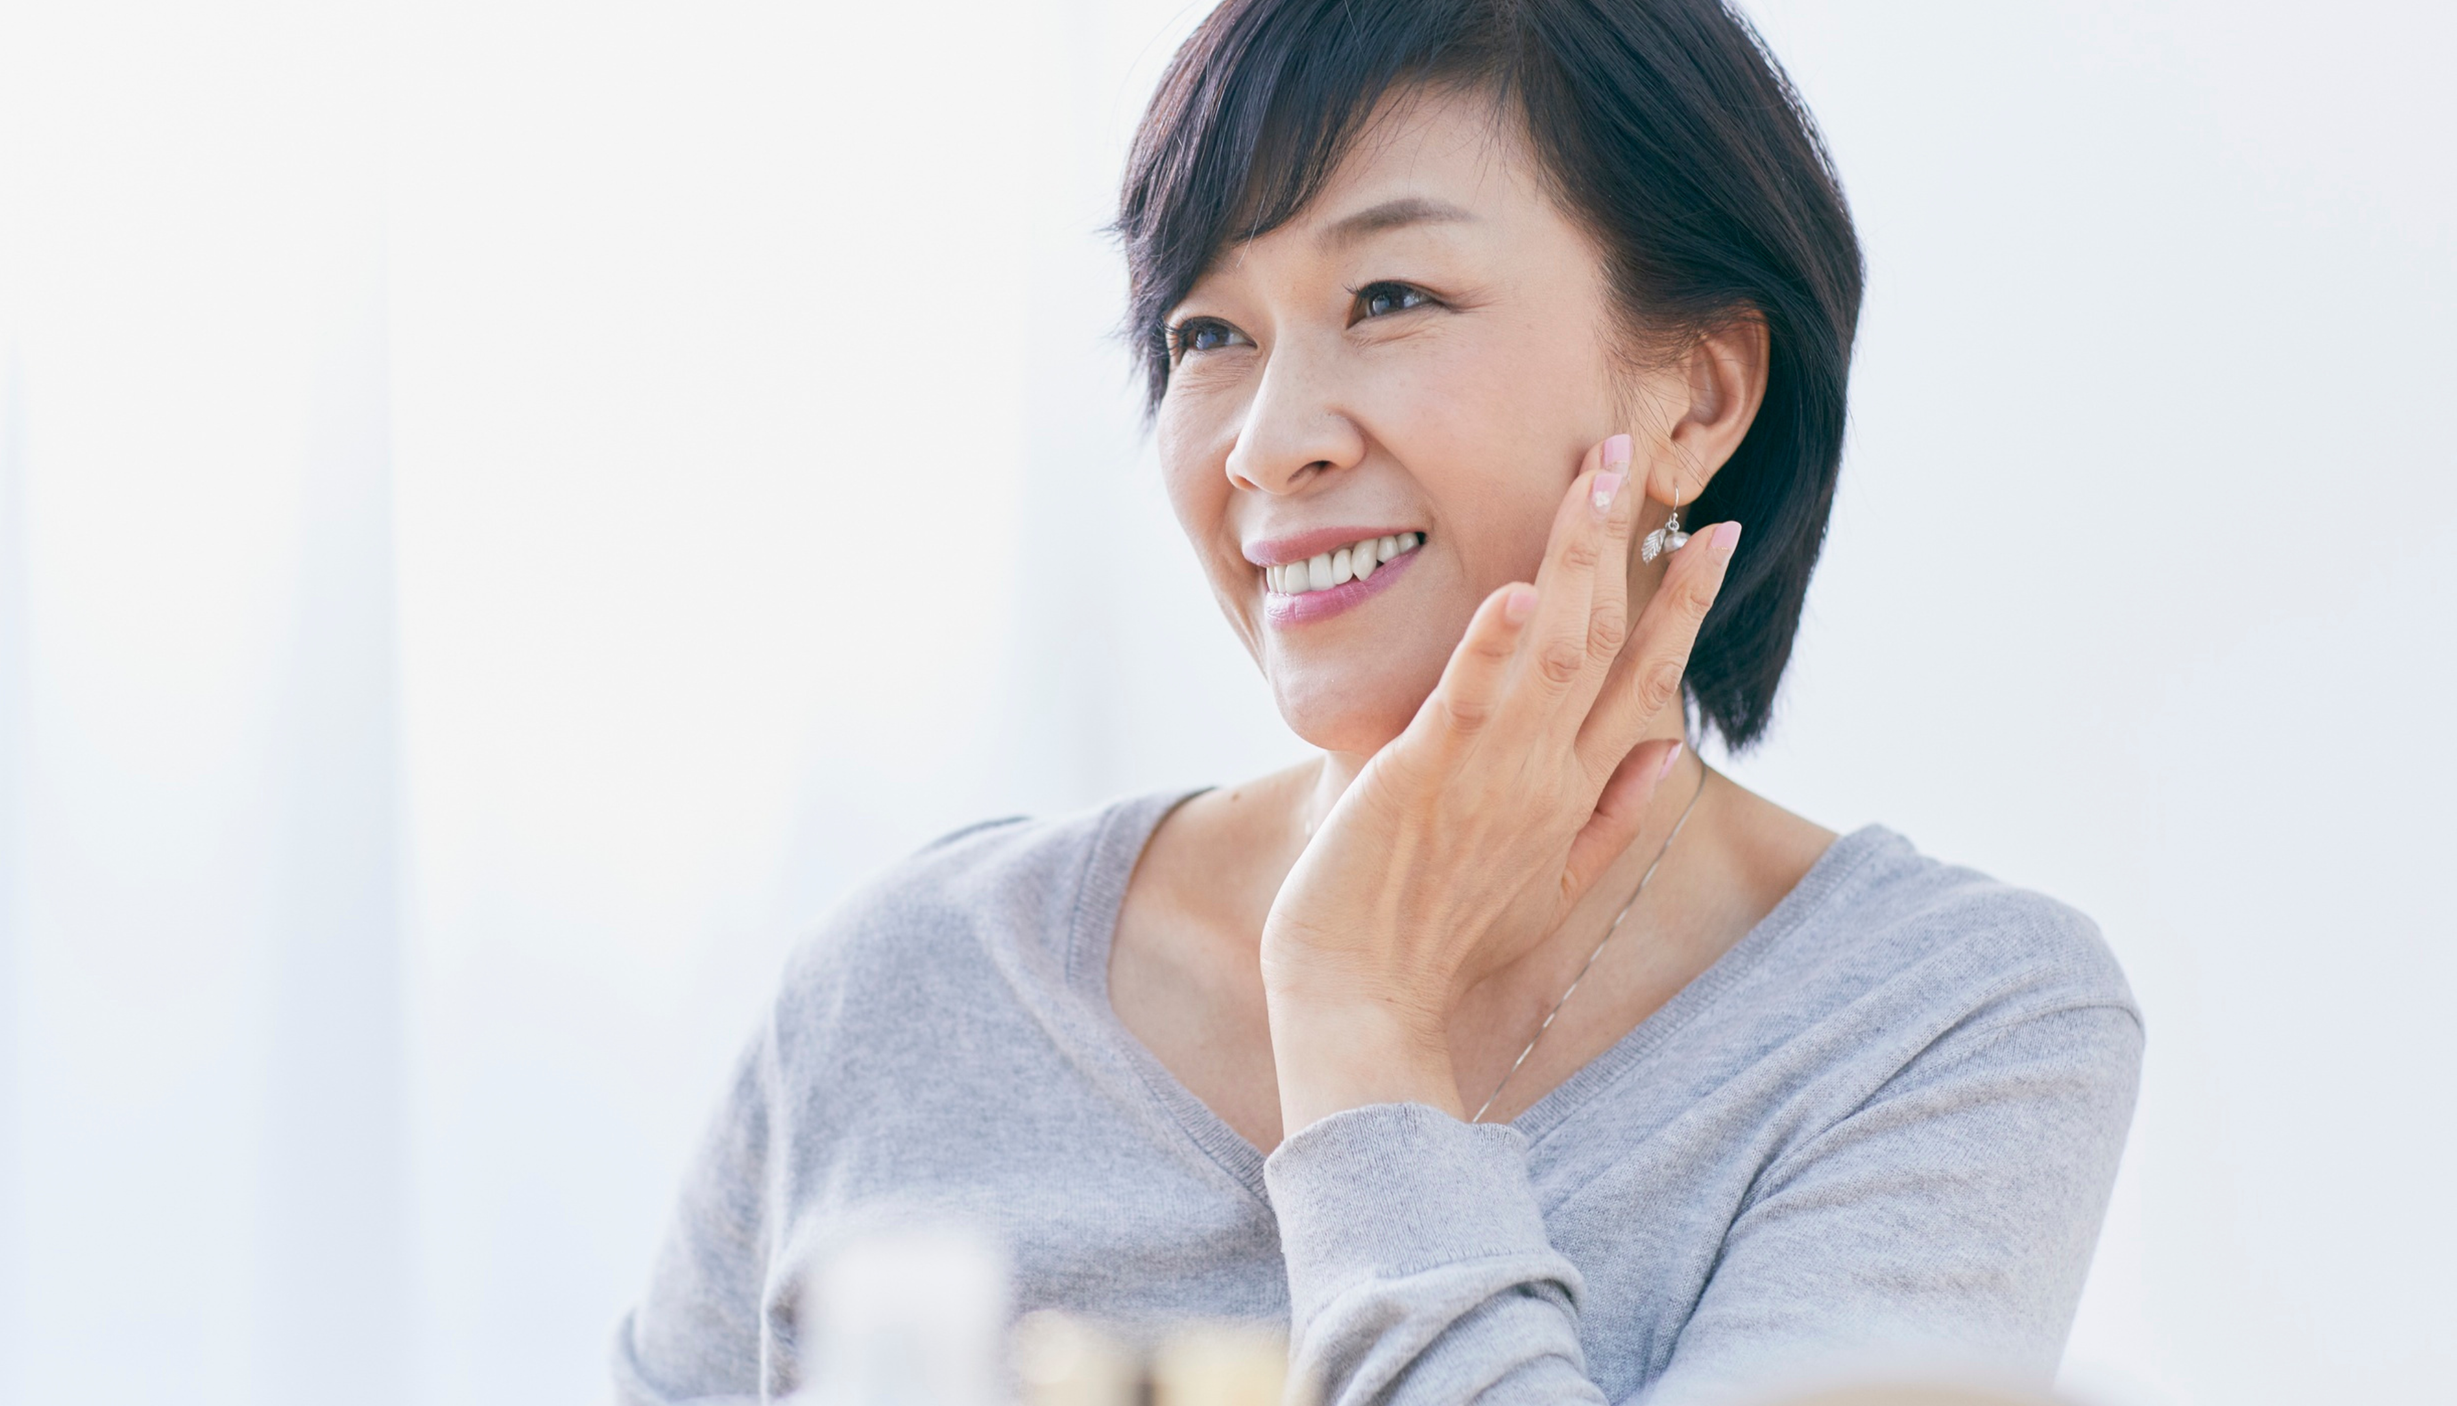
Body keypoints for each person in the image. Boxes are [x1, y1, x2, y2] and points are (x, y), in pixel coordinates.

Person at [612, 1, 2142, 1402]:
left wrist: (1362, 1023)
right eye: (1207, 332)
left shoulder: (1942, 1022)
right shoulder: (915, 983)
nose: (1266, 444)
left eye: (1391, 294)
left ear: (1700, 397)